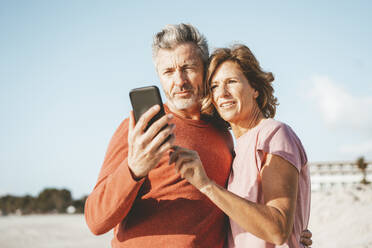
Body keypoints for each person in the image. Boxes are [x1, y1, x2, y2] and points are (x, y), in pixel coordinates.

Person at [85, 23, 312, 247]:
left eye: (188, 68)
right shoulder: (140, 129)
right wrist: (133, 170)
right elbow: (96, 221)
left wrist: (295, 230)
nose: (179, 81)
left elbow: (240, 208)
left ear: (204, 69)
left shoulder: (224, 134)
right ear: (159, 76)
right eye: (168, 72)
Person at [169, 44, 311, 247]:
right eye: (215, 86)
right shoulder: (234, 149)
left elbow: (278, 230)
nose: (222, 93)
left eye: (231, 82)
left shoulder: (274, 134)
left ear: (254, 88)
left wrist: (206, 185)